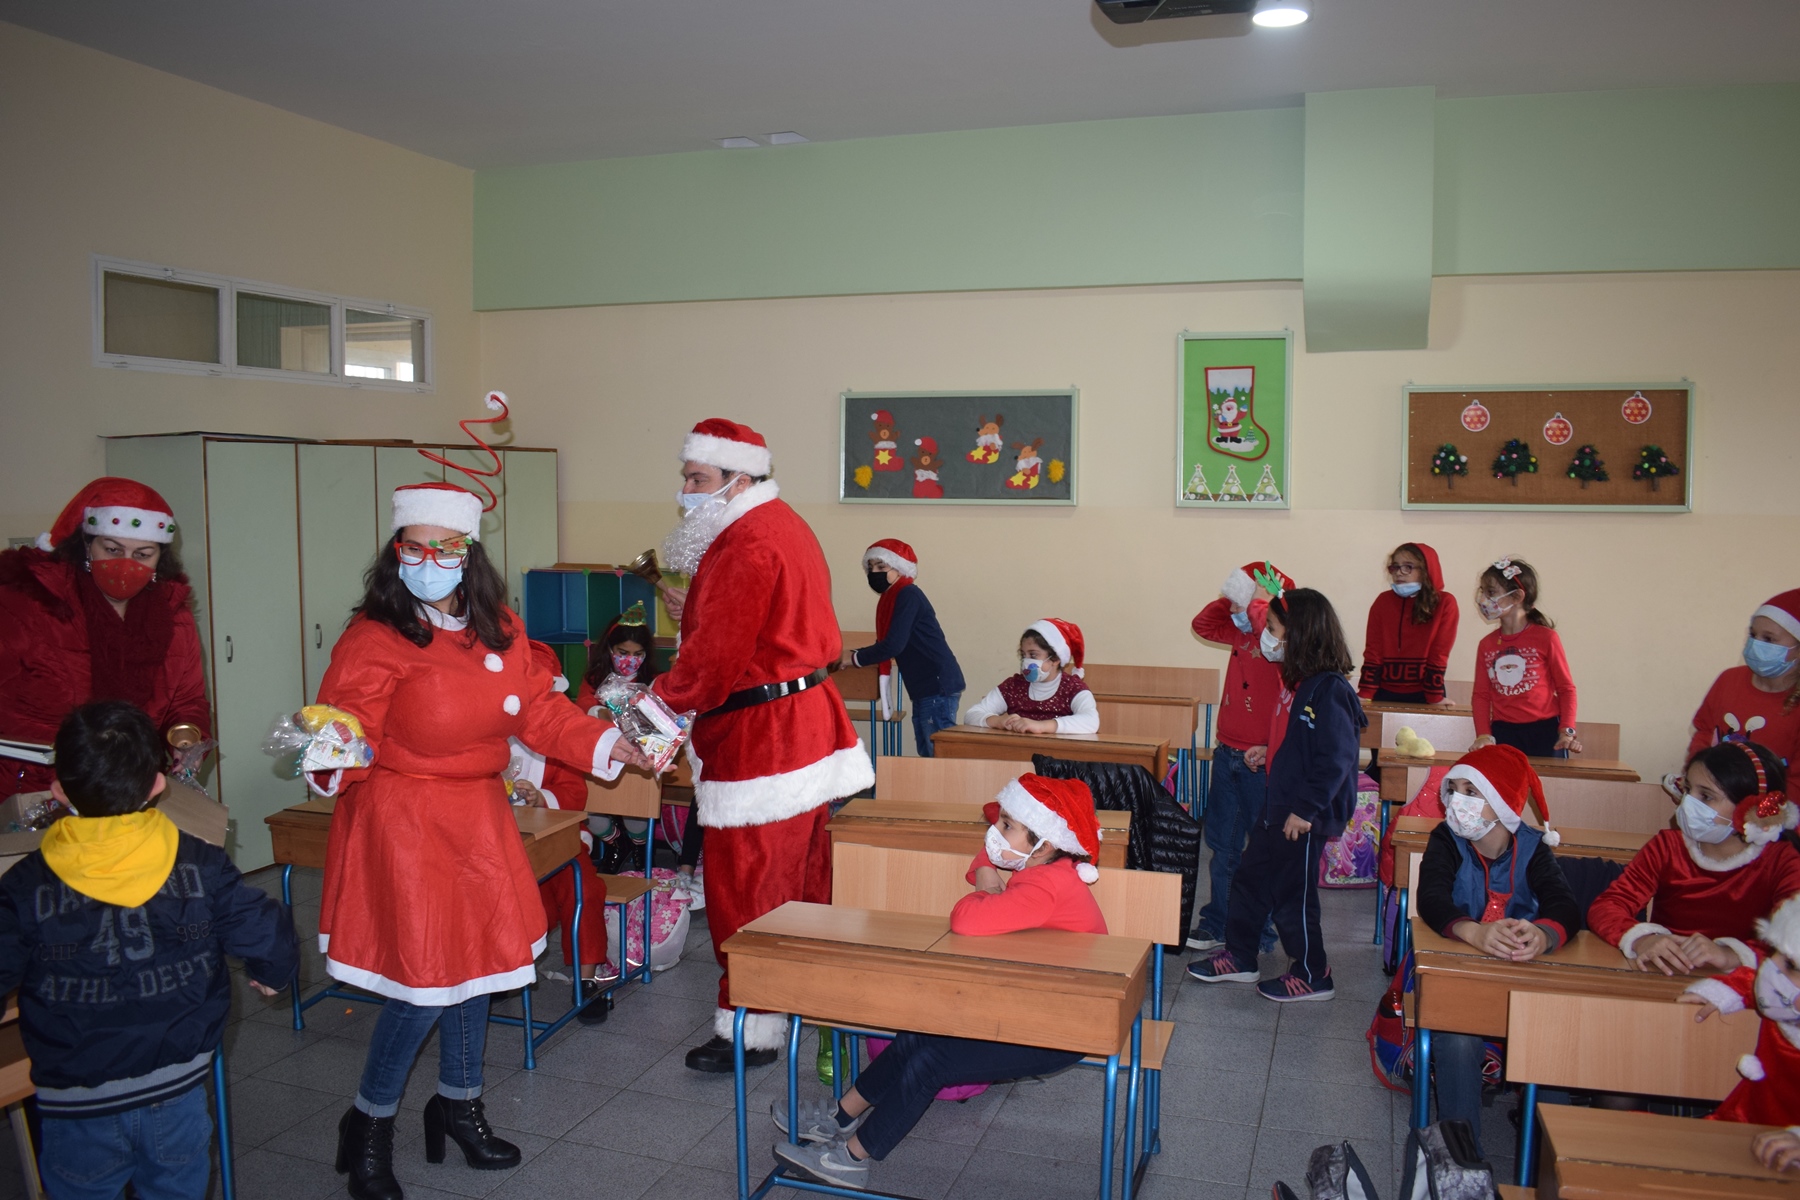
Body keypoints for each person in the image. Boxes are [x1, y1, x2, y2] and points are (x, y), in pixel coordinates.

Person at [315, 470, 647, 1200]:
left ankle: (459, 1107)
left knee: (479, 971)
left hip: (477, 816)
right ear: (396, 550)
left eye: (446, 548)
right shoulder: (374, 636)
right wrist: (329, 752)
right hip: (406, 822)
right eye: (414, 547)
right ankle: (367, 1124)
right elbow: (347, 726)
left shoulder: (500, 627)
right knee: (424, 987)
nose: (429, 561)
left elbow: (540, 713)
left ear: (470, 552)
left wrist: (607, 743)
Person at [0, 700, 297, 1200]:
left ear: (59, 791)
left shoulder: (25, 883)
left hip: (76, 1096)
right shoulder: (200, 861)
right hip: (176, 1085)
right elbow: (260, 923)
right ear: (159, 784)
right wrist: (273, 972)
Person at [649, 419, 874, 1073]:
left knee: (746, 889)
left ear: (738, 479)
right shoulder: (781, 524)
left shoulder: (744, 543)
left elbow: (707, 670)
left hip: (762, 743)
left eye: (698, 479)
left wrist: (638, 721)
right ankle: (808, 1005)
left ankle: (751, 1028)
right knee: (803, 881)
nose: (687, 492)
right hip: (806, 726)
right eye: (686, 478)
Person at [769, 774, 1107, 1189]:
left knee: (934, 1061)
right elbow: (994, 860)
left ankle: (850, 1158)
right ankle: (840, 1116)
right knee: (920, 1033)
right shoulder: (1046, 868)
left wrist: (982, 887)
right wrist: (986, 870)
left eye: (1007, 825)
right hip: (1035, 1008)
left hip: (1067, 1027)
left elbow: (966, 920)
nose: (995, 831)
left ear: (1045, 844)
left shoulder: (1045, 886)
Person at [1187, 587, 1365, 1002]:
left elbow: (1336, 759)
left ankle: (1313, 973)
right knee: (1250, 880)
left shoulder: (1330, 689)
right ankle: (1241, 956)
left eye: (1272, 627)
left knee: (1292, 896)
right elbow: (1302, 742)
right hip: (1280, 805)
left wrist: (1305, 810)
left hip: (1303, 814)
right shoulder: (1296, 681)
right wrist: (1269, 751)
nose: (1266, 635)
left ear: (1299, 632)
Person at [1411, 745, 1580, 1155]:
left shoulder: (1534, 849)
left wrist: (1543, 935)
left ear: (1503, 802)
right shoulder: (1446, 840)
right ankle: (1461, 1156)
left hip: (1525, 982)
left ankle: (1549, 1157)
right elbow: (1431, 897)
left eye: (1472, 791)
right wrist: (1472, 931)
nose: (1457, 801)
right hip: (1460, 977)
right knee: (1456, 1038)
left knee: (1553, 1035)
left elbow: (1565, 906)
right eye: (1454, 789)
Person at [0, 477, 210, 799]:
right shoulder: (28, 603)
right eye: (112, 549)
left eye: (143, 554)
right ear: (87, 544)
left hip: (129, 788)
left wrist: (187, 741)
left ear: (160, 558)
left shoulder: (173, 617)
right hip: (34, 790)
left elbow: (186, 702)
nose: (126, 565)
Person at [1588, 740, 1800, 974]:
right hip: (1669, 973)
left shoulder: (1781, 861)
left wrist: (1731, 955)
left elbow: (1794, 938)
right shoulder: (1668, 846)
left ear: (1752, 810)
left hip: (1745, 984)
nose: (1688, 803)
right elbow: (1607, 906)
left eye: (1706, 796)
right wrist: (1643, 938)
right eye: (1687, 789)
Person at [1187, 560, 1293, 952]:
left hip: (1260, 761)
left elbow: (1278, 628)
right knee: (1222, 845)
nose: (1236, 608)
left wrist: (1259, 602)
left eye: (1244, 600)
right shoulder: (1239, 630)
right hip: (1227, 752)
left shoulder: (1279, 644)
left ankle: (1258, 930)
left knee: (1259, 851)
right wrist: (1233, 598)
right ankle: (1219, 922)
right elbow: (1202, 624)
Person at [508, 639, 613, 1023]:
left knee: (582, 890)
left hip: (562, 843)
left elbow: (574, 793)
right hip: (508, 846)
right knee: (503, 895)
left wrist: (541, 798)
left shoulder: (557, 740)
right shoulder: (493, 735)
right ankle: (503, 970)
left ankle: (586, 978)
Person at [1679, 893, 1800, 1144]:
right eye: (1774, 952)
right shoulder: (1781, 1002)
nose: (1769, 967)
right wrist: (1723, 990)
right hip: (1742, 1123)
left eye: (1791, 965)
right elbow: (1750, 981)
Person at [841, 539, 966, 758]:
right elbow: (888, 643)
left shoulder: (908, 595)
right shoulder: (892, 597)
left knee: (937, 756)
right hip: (926, 688)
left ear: (899, 568)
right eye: (870, 567)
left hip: (936, 686)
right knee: (927, 753)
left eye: (881, 566)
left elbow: (892, 645)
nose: (874, 573)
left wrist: (854, 658)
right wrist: (855, 655)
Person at [1470, 557, 1580, 758]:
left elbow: (1566, 688)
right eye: (1482, 591)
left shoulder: (1546, 638)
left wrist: (1566, 730)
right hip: (1504, 732)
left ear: (1517, 596)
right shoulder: (1486, 645)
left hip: (1545, 731)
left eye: (1491, 592)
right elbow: (1481, 695)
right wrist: (1483, 735)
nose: (1483, 599)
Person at [577, 606, 659, 876]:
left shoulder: (652, 681)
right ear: (610, 649)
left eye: (638, 655)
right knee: (591, 806)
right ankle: (616, 843)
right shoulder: (594, 680)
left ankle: (639, 846)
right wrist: (598, 711)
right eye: (623, 653)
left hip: (637, 761)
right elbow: (582, 708)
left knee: (636, 807)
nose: (630, 660)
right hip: (602, 757)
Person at [1687, 590, 1800, 767]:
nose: (1755, 644)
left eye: (1769, 639)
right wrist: (1696, 772)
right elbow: (1705, 732)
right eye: (1753, 635)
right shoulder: (1728, 680)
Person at [1358, 542, 1460, 707]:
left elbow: (1439, 652)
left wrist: (1434, 696)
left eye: (1408, 567)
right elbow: (1373, 649)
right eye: (1395, 567)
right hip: (1383, 691)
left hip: (1426, 692)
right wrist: (1365, 692)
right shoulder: (1382, 601)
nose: (1399, 572)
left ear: (1426, 570)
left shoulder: (1445, 602)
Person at [962, 619, 1098, 734]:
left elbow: (1091, 721)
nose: (1026, 661)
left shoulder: (1073, 688)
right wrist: (998, 721)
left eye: (1033, 655)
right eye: (1023, 655)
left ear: (1055, 659)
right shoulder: (1013, 686)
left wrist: (1042, 726)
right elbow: (972, 714)